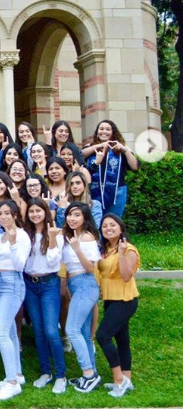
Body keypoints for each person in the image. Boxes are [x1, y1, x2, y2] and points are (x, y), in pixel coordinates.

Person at [23, 198, 67, 394]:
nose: (34, 214)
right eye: (31, 211)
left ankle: (61, 375)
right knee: (39, 331)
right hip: (30, 285)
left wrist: (50, 239)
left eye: (38, 211)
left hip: (49, 284)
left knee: (51, 330)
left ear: (45, 212)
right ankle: (45, 372)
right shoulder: (26, 234)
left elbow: (53, 262)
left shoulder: (56, 234)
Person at [0, 200, 31, 401]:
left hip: (12, 284)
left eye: (7, 213)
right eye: (0, 213)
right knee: (11, 332)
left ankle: (12, 384)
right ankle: (17, 374)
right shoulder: (0, 236)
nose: (3, 216)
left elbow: (20, 265)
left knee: (1, 333)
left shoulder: (21, 236)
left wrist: (13, 243)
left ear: (15, 214)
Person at [96, 214, 140, 398]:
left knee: (103, 336)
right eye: (104, 226)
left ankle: (119, 380)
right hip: (110, 299)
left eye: (112, 225)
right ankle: (127, 379)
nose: (108, 228)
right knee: (122, 340)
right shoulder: (105, 249)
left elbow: (126, 275)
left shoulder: (128, 249)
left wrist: (121, 253)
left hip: (125, 299)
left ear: (120, 228)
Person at [61, 202, 102, 393]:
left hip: (86, 283)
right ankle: (91, 373)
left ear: (85, 218)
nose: (72, 218)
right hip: (76, 285)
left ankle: (88, 374)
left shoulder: (87, 237)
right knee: (84, 334)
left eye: (77, 215)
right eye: (69, 214)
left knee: (72, 329)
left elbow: (90, 268)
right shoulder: (72, 236)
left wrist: (77, 249)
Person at [83, 120, 139, 217]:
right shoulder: (91, 147)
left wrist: (125, 150)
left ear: (113, 132)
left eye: (108, 129)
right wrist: (99, 146)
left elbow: (135, 167)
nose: (104, 131)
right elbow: (80, 155)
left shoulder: (121, 148)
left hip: (117, 191)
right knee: (94, 222)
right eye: (101, 129)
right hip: (94, 190)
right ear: (97, 132)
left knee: (113, 221)